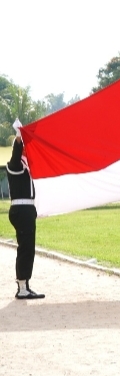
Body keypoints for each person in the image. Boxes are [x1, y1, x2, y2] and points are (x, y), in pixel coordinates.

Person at [7, 127, 43, 299]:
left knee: (27, 248)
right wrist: (19, 139)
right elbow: (15, 156)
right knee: (26, 249)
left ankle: (24, 285)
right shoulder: (14, 166)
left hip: (26, 210)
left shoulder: (27, 168)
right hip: (21, 210)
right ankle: (22, 288)